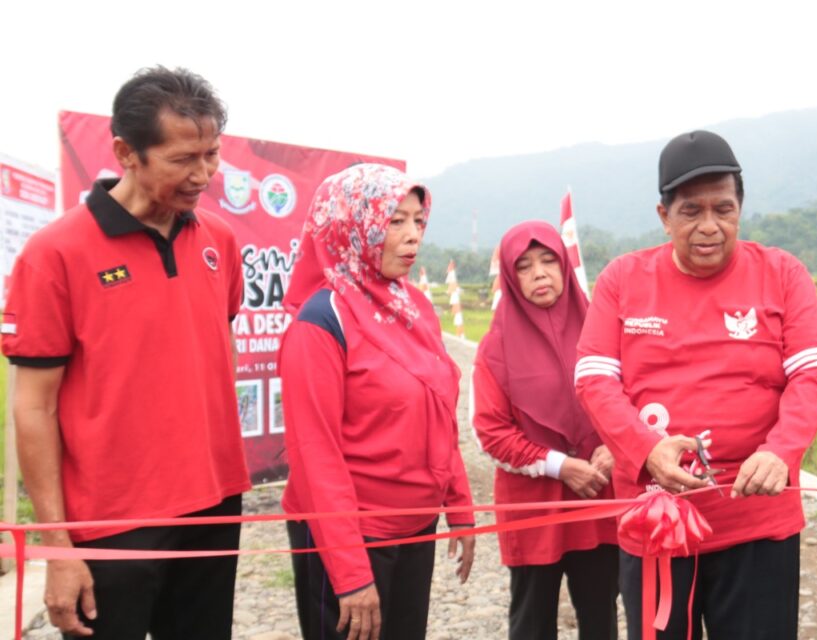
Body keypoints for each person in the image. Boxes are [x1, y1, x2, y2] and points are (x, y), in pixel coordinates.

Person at [3, 66, 247, 639]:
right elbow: (32, 407)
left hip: (213, 505)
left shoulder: (220, 241)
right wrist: (57, 547)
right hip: (110, 522)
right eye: (183, 158)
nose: (203, 174)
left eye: (211, 154)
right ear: (125, 152)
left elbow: (218, 344)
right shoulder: (53, 255)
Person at [575, 130, 817, 639]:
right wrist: (646, 450)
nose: (709, 226)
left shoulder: (782, 273)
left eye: (724, 208)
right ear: (663, 215)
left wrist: (780, 451)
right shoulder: (622, 280)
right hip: (656, 519)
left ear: (740, 208)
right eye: (691, 211)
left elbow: (814, 371)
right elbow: (593, 379)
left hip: (757, 521)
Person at [278, 163, 475, 640]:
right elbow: (315, 456)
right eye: (395, 221)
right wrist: (350, 573)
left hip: (416, 527)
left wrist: (460, 507)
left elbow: (440, 414)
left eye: (418, 222)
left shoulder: (414, 307)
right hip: (352, 536)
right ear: (353, 223)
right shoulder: (321, 321)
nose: (412, 237)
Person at [473, 220, 620, 640]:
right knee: (532, 620)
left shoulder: (603, 327)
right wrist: (560, 466)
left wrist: (616, 446)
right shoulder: (496, 346)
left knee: (601, 614)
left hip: (597, 494)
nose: (539, 273)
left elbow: (633, 395)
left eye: (548, 260)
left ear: (565, 265)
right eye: (524, 266)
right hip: (533, 505)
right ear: (510, 276)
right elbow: (491, 431)